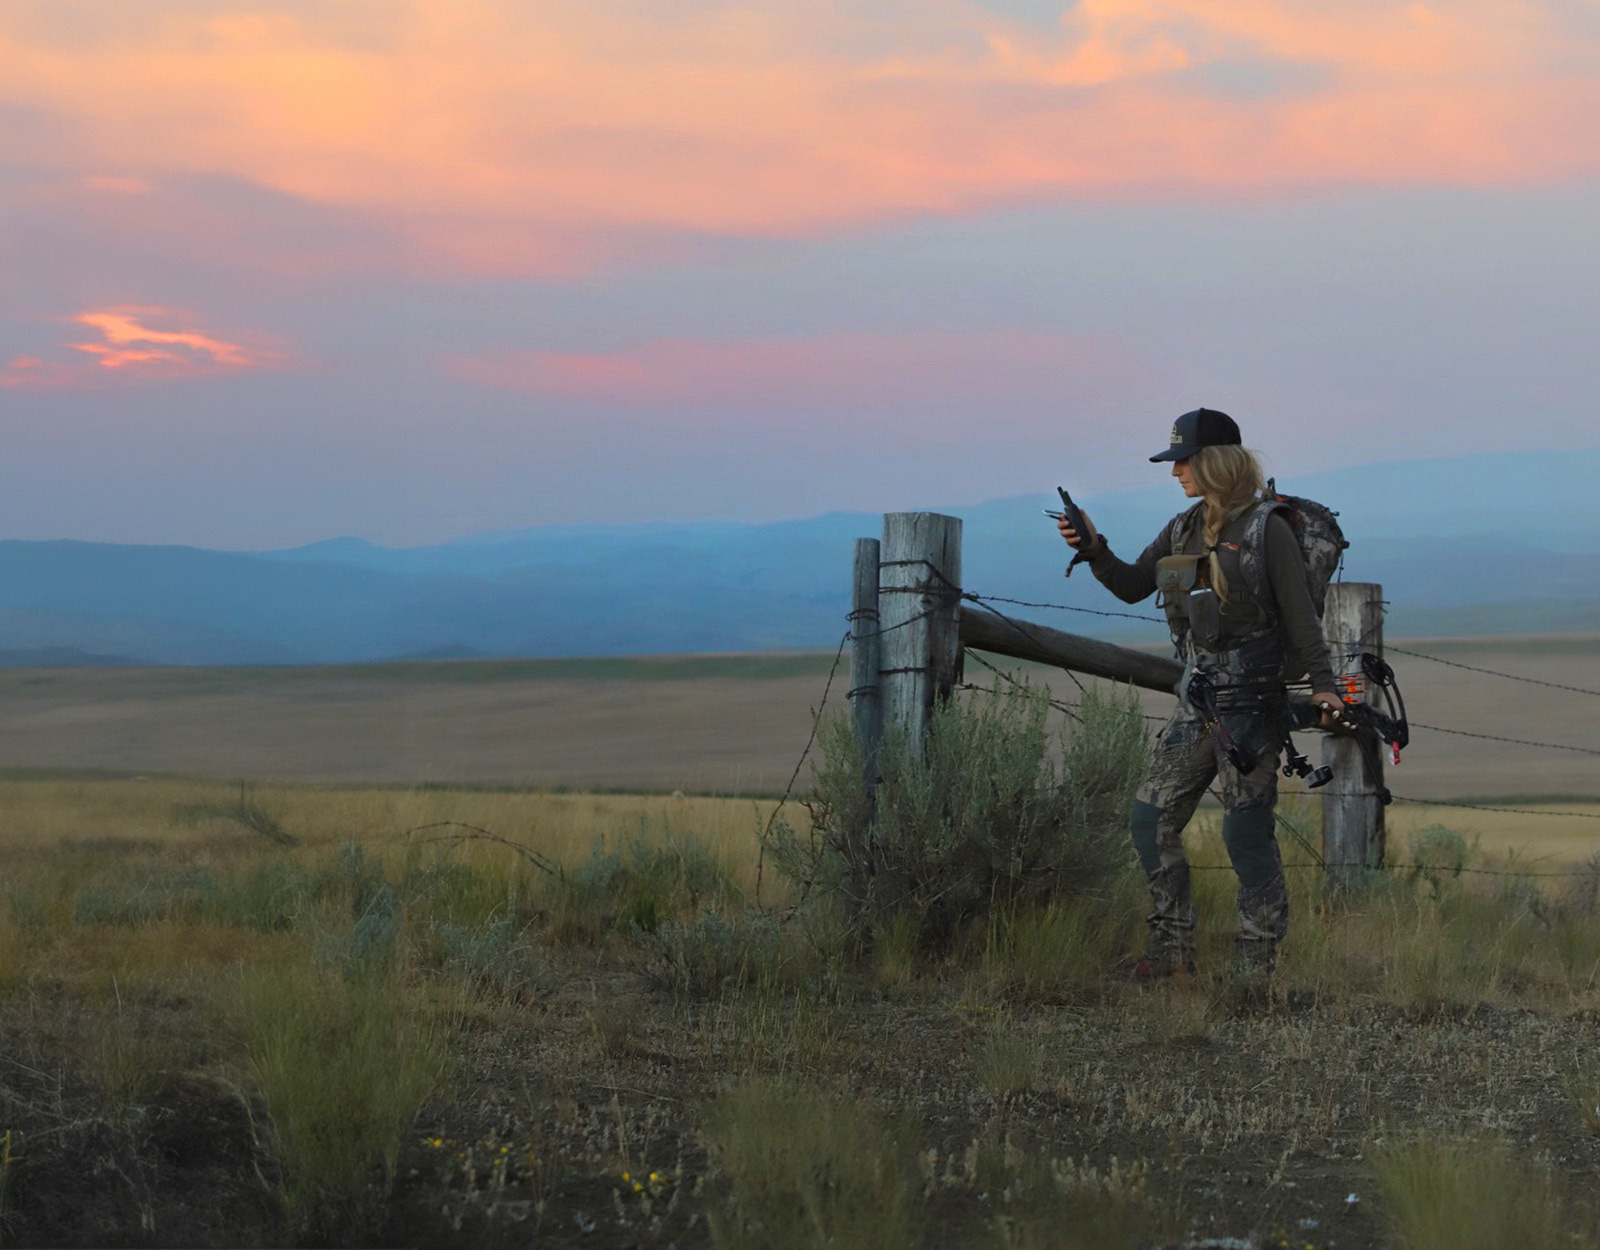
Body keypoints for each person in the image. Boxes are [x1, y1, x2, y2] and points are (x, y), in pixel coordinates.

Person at [1058, 407, 1342, 983]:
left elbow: (1302, 620)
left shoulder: (1269, 529)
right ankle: (1170, 955)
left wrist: (1325, 687)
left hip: (1253, 705)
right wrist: (1092, 548)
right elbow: (1133, 586)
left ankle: (1254, 969)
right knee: (1150, 818)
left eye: (1182, 461)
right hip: (1201, 703)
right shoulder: (1183, 527)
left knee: (1245, 832)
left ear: (1213, 462)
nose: (1174, 473)